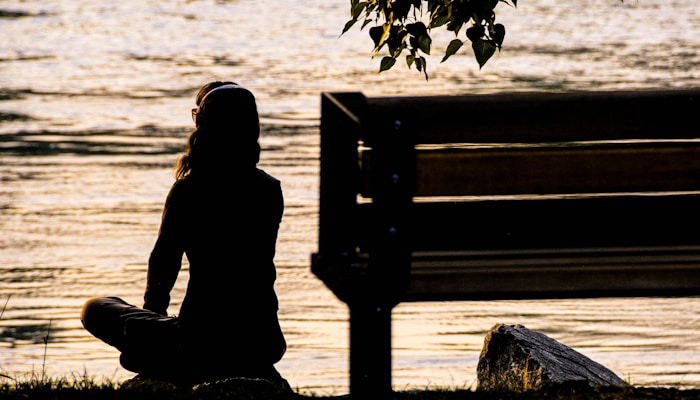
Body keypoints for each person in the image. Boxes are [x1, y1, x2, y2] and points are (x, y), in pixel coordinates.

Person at [81, 81, 287, 385]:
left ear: (204, 125)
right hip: (263, 342)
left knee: (96, 307)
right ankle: (163, 353)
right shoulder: (269, 189)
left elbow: (164, 260)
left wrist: (153, 318)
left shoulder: (189, 190)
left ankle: (159, 357)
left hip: (200, 341)